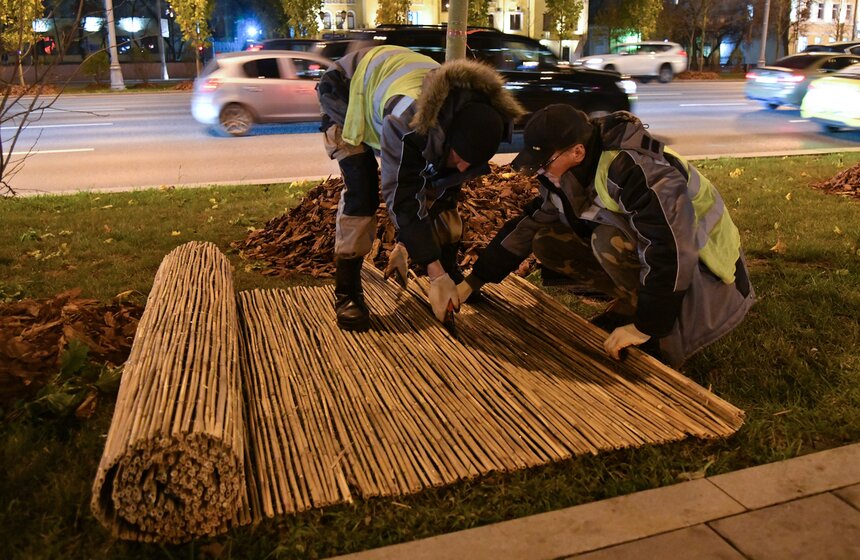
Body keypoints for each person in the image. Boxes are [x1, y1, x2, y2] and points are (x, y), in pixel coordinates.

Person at [456, 104, 755, 368]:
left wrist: (646, 327)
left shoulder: (633, 168)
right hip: (669, 256)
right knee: (547, 239)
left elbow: (670, 247)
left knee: (606, 241)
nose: (539, 174)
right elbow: (528, 224)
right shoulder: (566, 173)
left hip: (708, 270)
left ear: (577, 152)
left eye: (545, 164)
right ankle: (631, 304)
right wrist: (474, 280)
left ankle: (656, 328)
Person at [317, 44, 525, 331]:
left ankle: (450, 266)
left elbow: (438, 187)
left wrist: (408, 246)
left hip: (391, 83)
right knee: (361, 190)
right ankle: (347, 292)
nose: (465, 168)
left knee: (447, 186)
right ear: (447, 138)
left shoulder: (478, 117)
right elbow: (401, 195)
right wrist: (433, 271)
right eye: (461, 158)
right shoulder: (408, 122)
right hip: (347, 88)